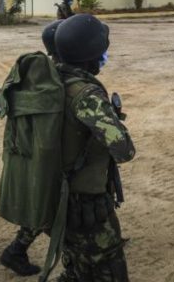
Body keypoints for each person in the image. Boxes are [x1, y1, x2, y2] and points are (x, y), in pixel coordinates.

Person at [54, 14, 135, 280]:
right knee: (109, 269)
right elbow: (124, 150)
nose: (105, 55)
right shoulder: (86, 95)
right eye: (102, 51)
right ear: (90, 56)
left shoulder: (54, 82)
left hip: (57, 197)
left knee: (77, 267)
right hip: (86, 205)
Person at [0, 19, 65, 277]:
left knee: (46, 202)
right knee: (52, 203)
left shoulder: (42, 78)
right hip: (57, 162)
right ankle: (17, 250)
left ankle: (16, 250)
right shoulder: (59, 82)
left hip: (38, 159)